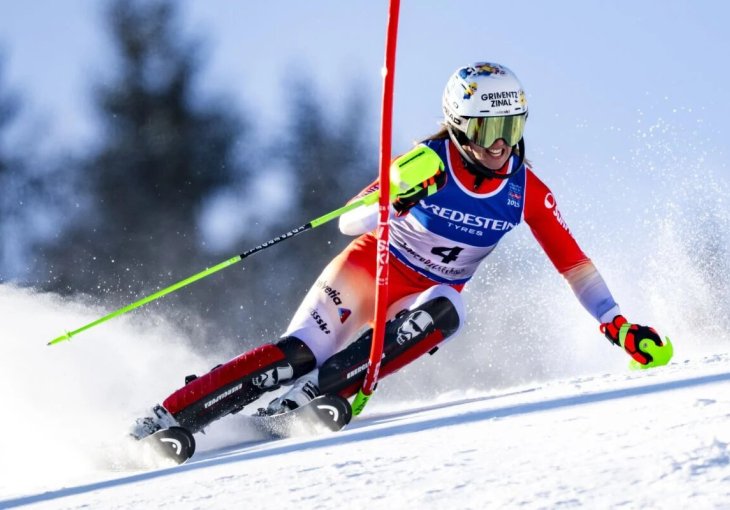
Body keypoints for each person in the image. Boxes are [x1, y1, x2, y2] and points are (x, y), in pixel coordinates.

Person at [131, 62, 673, 438]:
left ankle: (332, 388)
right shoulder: (425, 162)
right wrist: (394, 202)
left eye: (511, 127)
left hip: (424, 296)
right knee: (297, 354)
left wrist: (617, 324)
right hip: (369, 271)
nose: (501, 144)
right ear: (461, 127)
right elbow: (348, 220)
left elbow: (573, 264)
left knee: (450, 309)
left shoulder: (525, 189)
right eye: (488, 130)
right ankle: (172, 414)